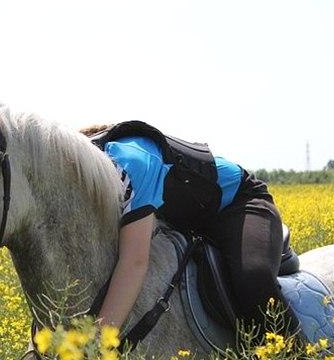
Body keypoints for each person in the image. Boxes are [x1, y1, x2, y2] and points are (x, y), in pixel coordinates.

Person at [84, 121, 303, 347]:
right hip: (188, 220)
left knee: (252, 278)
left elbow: (134, 262)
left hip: (238, 205)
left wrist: (95, 347)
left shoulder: (132, 161)